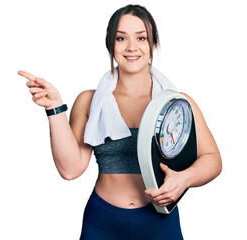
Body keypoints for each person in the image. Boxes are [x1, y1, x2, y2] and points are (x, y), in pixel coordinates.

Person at [18, 4, 222, 240]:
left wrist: (184, 179)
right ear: (110, 45)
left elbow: (213, 160)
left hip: (160, 223)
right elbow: (70, 169)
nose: (132, 47)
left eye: (142, 38)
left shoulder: (178, 104)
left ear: (152, 44)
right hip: (102, 222)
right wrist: (55, 108)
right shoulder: (90, 102)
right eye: (121, 38)